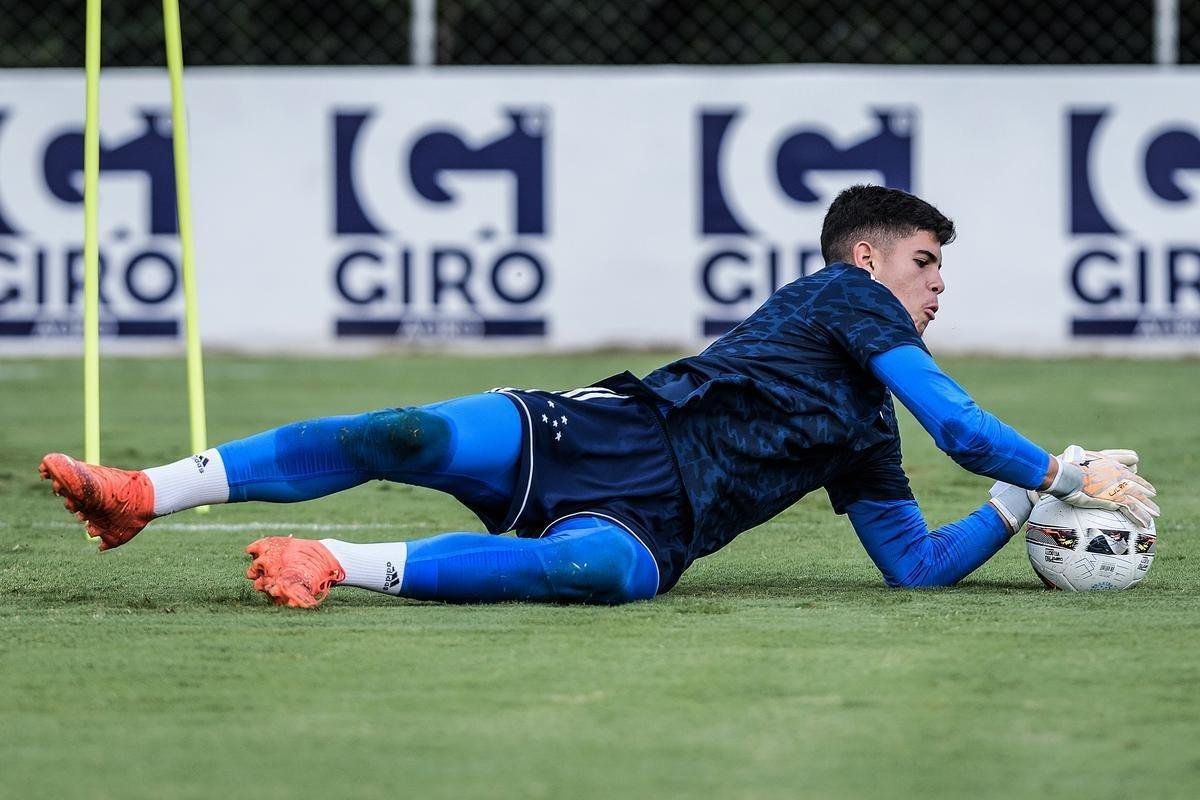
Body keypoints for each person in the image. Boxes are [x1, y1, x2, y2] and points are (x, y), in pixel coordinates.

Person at [39, 185, 1160, 608]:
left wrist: (1025, 507)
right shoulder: (841, 294)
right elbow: (961, 426)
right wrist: (1067, 473)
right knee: (404, 431)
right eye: (927, 264)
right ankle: (146, 490)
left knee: (601, 572)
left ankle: (334, 559)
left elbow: (912, 561)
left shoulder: (863, 425)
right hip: (608, 423)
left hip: (655, 522)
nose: (938, 287)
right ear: (868, 261)